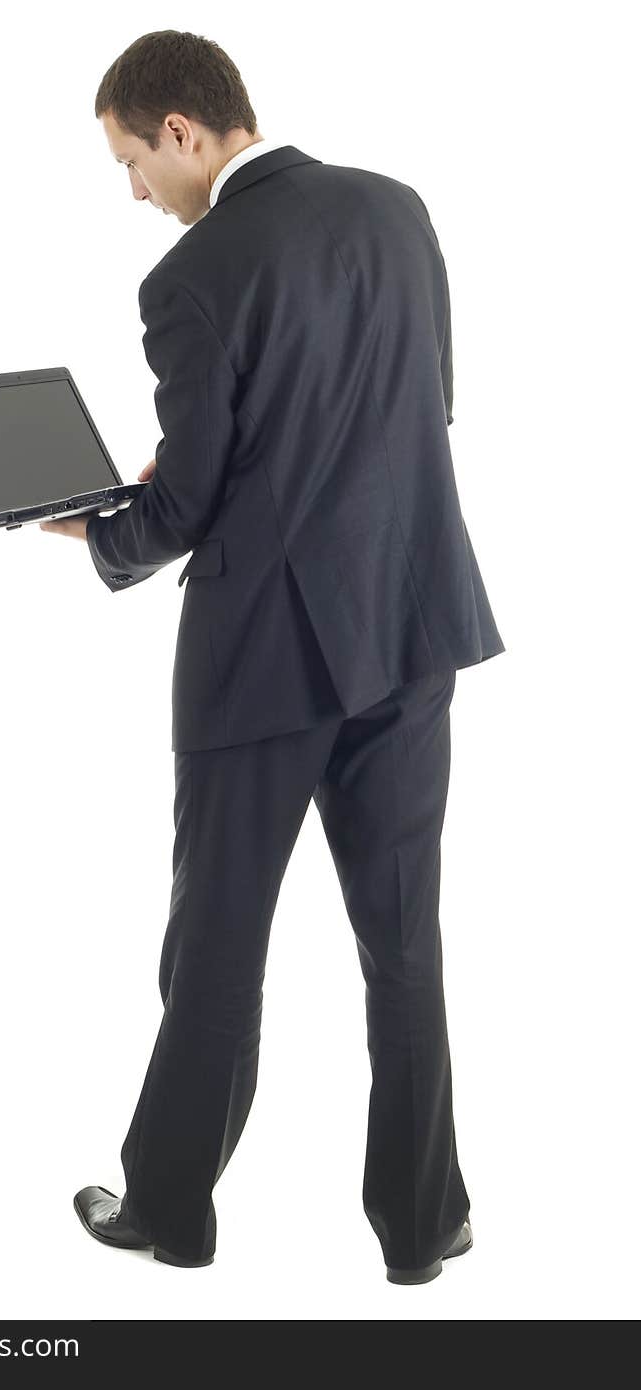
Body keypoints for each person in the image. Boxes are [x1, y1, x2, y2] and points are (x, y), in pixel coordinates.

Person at [41, 29, 504, 1284]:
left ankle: (168, 1213)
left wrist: (103, 524)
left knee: (218, 944)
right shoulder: (398, 211)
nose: (134, 189)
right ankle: (422, 1226)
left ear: (181, 131)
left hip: (264, 660)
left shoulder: (192, 275)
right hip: (411, 625)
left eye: (131, 159)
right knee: (403, 942)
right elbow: (416, 407)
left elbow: (185, 508)